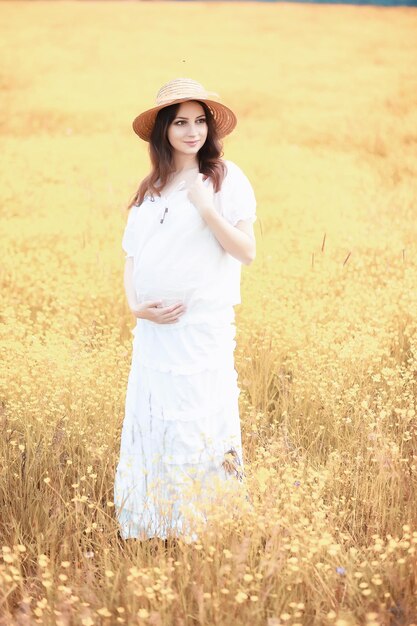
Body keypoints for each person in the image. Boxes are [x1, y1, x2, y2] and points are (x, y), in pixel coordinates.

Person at [114, 77, 257, 542]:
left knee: (196, 419)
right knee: (154, 420)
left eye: (199, 122)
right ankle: (155, 523)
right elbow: (132, 257)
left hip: (200, 329)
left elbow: (246, 251)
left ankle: (200, 525)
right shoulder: (150, 187)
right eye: (181, 122)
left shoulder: (223, 177)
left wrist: (206, 206)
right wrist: (138, 308)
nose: (192, 131)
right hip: (154, 333)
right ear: (164, 130)